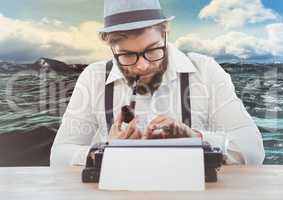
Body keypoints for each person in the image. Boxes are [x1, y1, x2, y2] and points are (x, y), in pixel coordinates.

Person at [50, 0, 265, 166]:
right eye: (126, 55)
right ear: (110, 47)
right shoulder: (93, 78)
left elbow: (254, 150)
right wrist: (104, 152)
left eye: (152, 50)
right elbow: (58, 156)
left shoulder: (205, 70)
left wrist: (197, 138)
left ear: (165, 33)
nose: (142, 66)